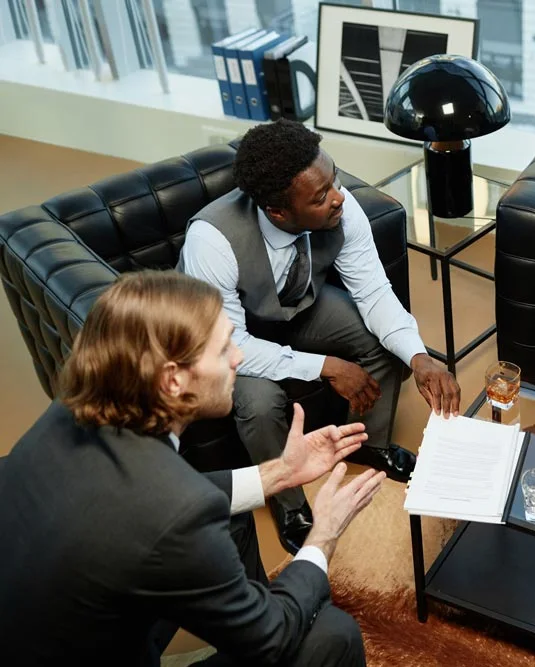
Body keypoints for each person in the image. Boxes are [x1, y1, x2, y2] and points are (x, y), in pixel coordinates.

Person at [0, 271, 383, 666]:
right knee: (331, 635)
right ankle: (249, 624)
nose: (237, 356)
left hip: (53, 629)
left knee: (230, 519)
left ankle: (240, 619)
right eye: (222, 350)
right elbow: (275, 636)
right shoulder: (178, 510)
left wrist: (280, 472)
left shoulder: (68, 410)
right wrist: (322, 536)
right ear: (172, 380)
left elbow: (150, 506)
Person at [178, 119, 461, 553]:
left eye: (335, 179)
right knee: (259, 403)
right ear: (278, 211)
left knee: (383, 344)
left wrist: (418, 358)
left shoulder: (342, 207)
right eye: (320, 195)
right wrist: (327, 367)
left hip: (297, 308)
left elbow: (373, 294)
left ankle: (370, 444)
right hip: (230, 339)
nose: (338, 198)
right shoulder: (211, 241)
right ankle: (288, 503)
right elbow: (233, 346)